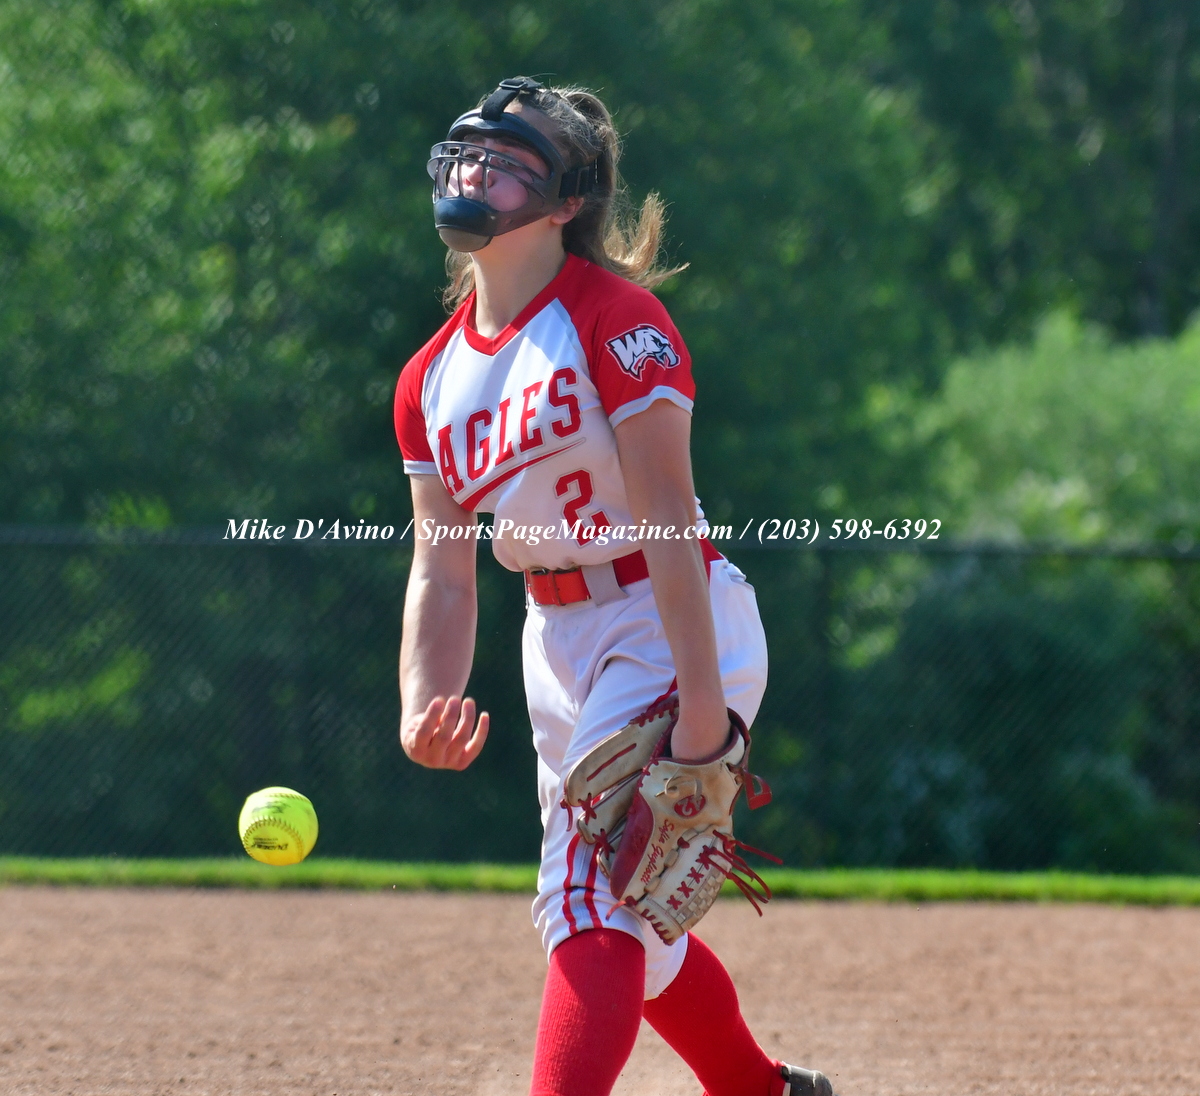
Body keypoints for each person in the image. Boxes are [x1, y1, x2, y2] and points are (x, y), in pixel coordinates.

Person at [394, 76, 837, 1096]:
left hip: (663, 613)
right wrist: (424, 697)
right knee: (635, 918)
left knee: (588, 902)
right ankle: (764, 1090)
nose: (477, 172)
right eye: (468, 153)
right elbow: (443, 568)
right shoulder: (428, 380)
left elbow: (670, 521)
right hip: (552, 641)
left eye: (509, 162)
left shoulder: (616, 319)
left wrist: (702, 712)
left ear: (566, 202)